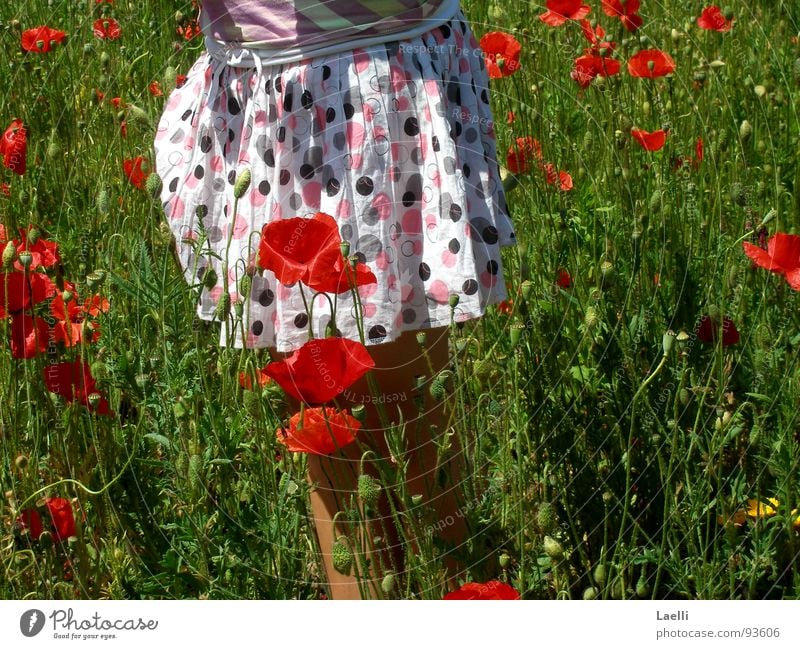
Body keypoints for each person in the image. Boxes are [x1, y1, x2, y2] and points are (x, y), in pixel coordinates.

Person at [153, 0, 516, 599]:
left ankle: (453, 600)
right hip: (280, 85)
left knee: (412, 414)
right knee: (330, 423)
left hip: (380, 74)